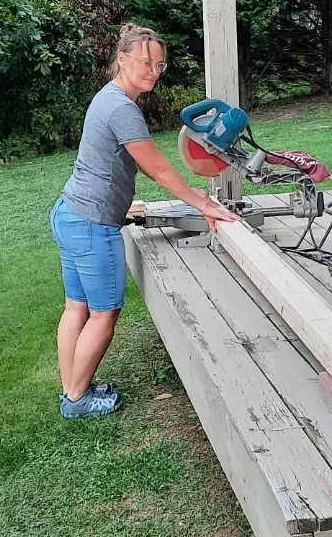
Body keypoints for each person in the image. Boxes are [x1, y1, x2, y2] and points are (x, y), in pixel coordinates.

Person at [50, 24, 238, 417]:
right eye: (145, 62)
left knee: (76, 308)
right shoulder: (122, 108)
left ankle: (72, 389)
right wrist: (201, 201)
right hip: (91, 223)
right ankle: (77, 400)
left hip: (69, 213)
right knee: (103, 314)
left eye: (159, 64)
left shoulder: (108, 99)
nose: (153, 70)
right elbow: (157, 169)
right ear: (122, 60)